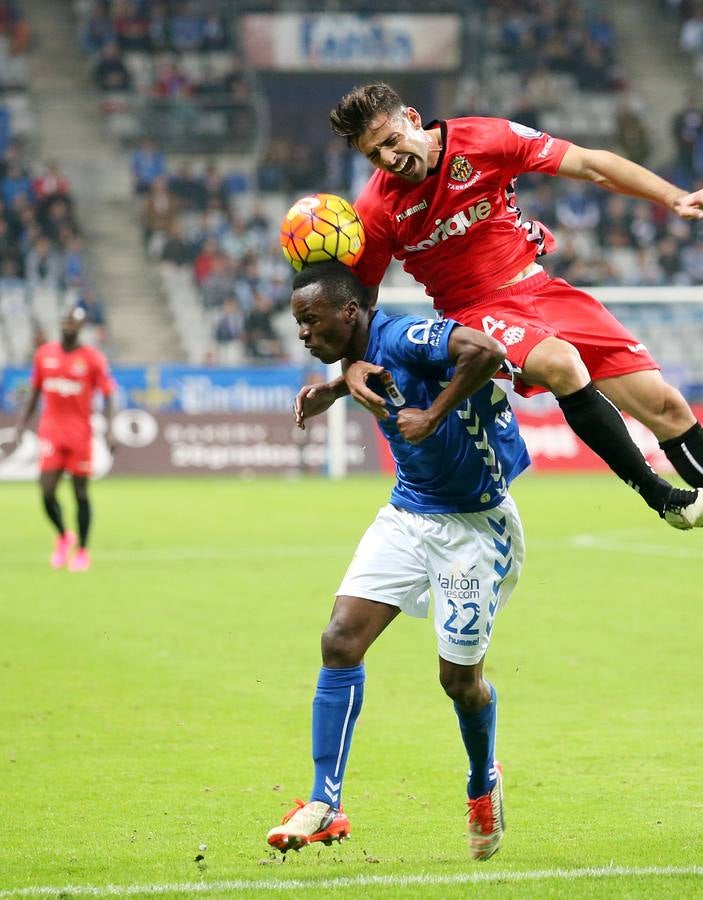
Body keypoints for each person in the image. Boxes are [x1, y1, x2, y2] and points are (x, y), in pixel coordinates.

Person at [317, 81, 703, 578]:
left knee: (666, 407)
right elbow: (358, 305)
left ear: (411, 119)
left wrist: (673, 196)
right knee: (562, 363)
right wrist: (348, 370)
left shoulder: (484, 138)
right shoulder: (376, 208)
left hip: (544, 291)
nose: (388, 159)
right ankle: (661, 497)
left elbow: (591, 165)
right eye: (373, 155)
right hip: (476, 312)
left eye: (389, 141)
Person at [267, 262, 525, 860]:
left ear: (349, 312)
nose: (303, 333)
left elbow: (485, 350)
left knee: (459, 682)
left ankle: (483, 781)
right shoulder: (355, 357)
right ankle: (325, 803)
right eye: (298, 323)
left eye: (311, 319)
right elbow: (371, 371)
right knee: (339, 641)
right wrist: (335, 386)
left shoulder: (404, 334)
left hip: (474, 527)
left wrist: (433, 416)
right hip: (408, 515)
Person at [5, 308, 115, 571]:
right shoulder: (44, 355)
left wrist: (110, 430)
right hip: (51, 432)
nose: (69, 326)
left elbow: (109, 395)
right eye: (65, 321)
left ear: (82, 327)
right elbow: (34, 394)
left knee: (80, 494)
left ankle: (83, 551)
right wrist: (20, 426)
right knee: (46, 490)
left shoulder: (92, 359)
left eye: (74, 323)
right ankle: (64, 535)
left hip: (80, 435)